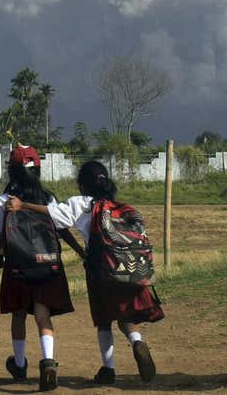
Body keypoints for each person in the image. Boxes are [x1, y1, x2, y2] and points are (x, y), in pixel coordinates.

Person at [12, 160, 163, 386]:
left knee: (104, 321)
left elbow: (53, 214)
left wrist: (24, 205)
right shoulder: (119, 206)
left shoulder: (81, 204)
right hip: (128, 268)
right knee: (125, 316)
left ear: (82, 185)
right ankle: (137, 341)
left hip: (100, 271)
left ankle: (109, 369)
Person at [0, 147, 79, 389]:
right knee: (42, 313)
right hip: (47, 263)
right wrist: (80, 251)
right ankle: (48, 361)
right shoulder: (47, 198)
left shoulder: (3, 200)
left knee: (19, 313)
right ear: (37, 169)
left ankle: (19, 365)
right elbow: (61, 227)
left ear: (12, 171)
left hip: (17, 265)